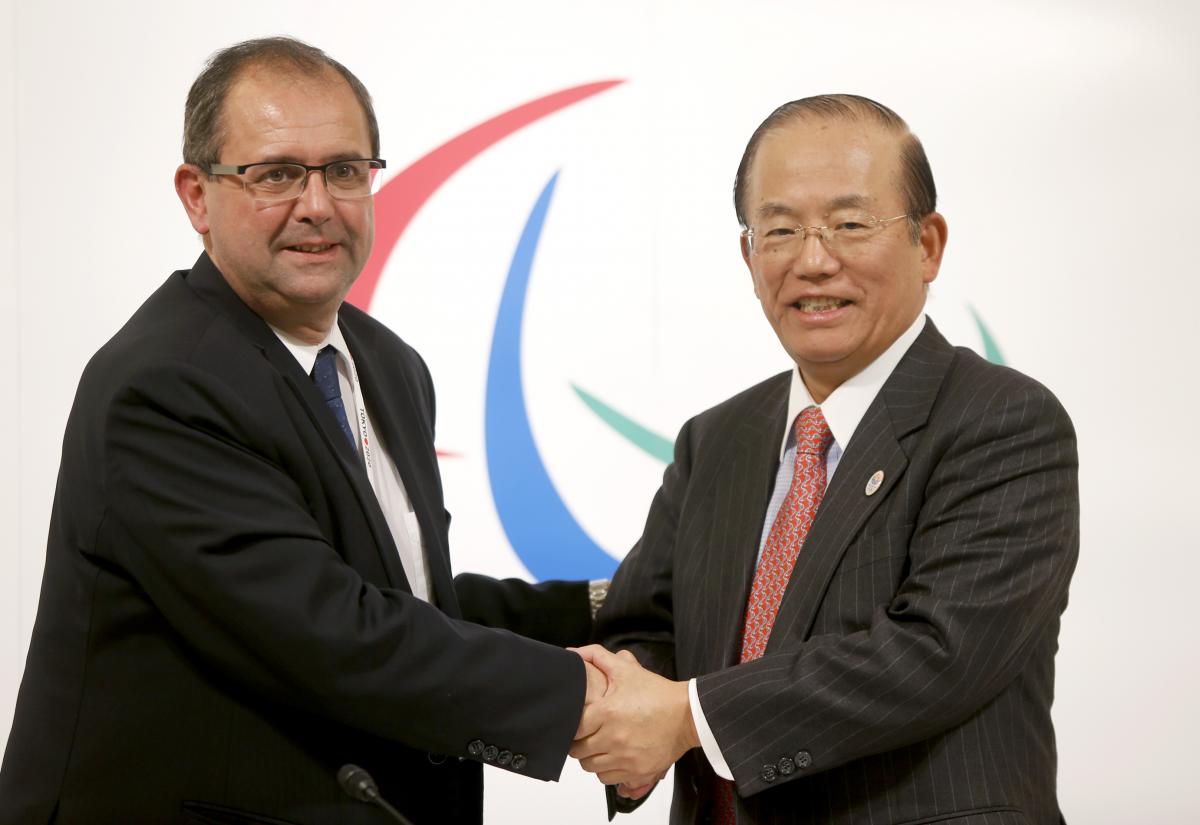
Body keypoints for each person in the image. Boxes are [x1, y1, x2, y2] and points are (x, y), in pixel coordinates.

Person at [0, 37, 605, 825]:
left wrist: (606, 605)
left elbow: (406, 601)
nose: (317, 204)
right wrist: (593, 702)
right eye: (276, 174)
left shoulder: (389, 366)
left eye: (345, 171)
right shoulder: (163, 383)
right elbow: (333, 633)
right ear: (196, 196)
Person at [571, 95, 1079, 825]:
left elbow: (935, 655)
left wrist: (685, 714)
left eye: (850, 224)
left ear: (928, 244)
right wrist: (609, 701)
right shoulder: (715, 439)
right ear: (750, 256)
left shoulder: (1004, 422)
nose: (814, 260)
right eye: (780, 230)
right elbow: (650, 623)